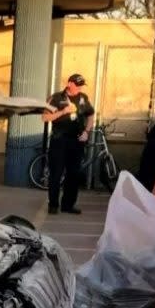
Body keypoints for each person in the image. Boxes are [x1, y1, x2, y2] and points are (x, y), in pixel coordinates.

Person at [42, 74, 95, 215]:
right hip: (59, 140)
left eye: (82, 85)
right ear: (69, 83)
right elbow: (45, 117)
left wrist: (87, 131)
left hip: (76, 141)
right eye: (77, 85)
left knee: (74, 174)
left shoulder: (83, 98)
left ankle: (68, 205)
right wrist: (63, 111)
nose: (79, 88)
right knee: (56, 173)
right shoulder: (56, 98)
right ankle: (53, 204)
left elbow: (90, 115)